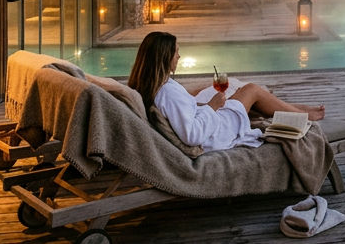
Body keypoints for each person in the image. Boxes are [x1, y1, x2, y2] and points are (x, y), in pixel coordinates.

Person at [126, 31, 325, 153]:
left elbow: (183, 113)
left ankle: (293, 110)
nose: (179, 56)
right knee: (251, 90)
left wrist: (204, 105)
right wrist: (212, 107)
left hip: (207, 121)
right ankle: (301, 114)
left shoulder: (152, 85)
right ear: (164, 57)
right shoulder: (167, 93)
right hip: (216, 134)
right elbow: (192, 136)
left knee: (237, 96)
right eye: (176, 52)